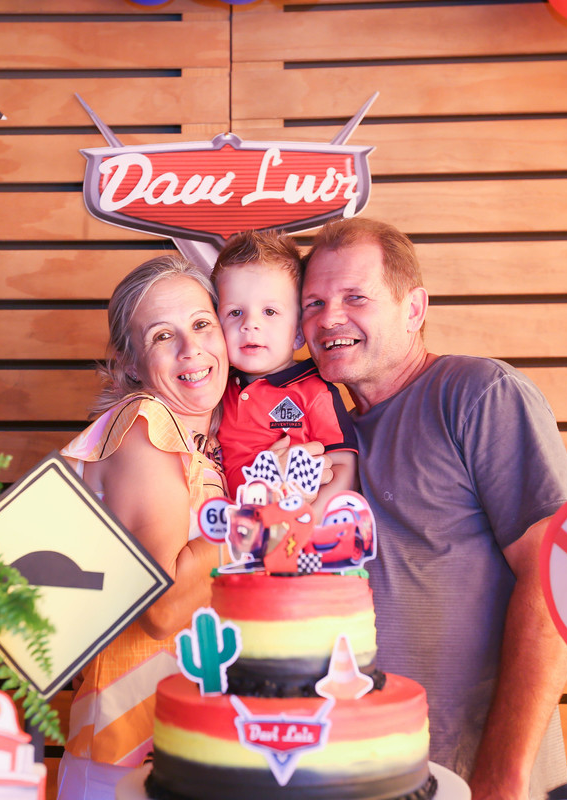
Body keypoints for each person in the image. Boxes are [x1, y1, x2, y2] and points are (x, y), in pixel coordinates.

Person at [299, 218, 567, 800]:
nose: (328, 319)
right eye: (314, 303)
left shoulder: (478, 394)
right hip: (357, 773)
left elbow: (558, 578)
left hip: (479, 775)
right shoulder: (323, 435)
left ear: (414, 308)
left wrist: (502, 777)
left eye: (355, 297)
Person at [56, 255, 228, 800]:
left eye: (201, 324)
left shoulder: (200, 442)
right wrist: (266, 514)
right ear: (130, 362)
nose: (191, 348)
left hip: (186, 740)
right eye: (162, 336)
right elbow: (163, 608)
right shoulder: (145, 425)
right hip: (128, 750)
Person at [211, 229, 357, 509]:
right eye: (235, 312)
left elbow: (345, 467)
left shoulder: (314, 391)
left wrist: (307, 521)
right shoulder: (215, 389)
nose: (250, 324)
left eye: (270, 312)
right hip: (230, 525)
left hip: (296, 524)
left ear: (298, 333)